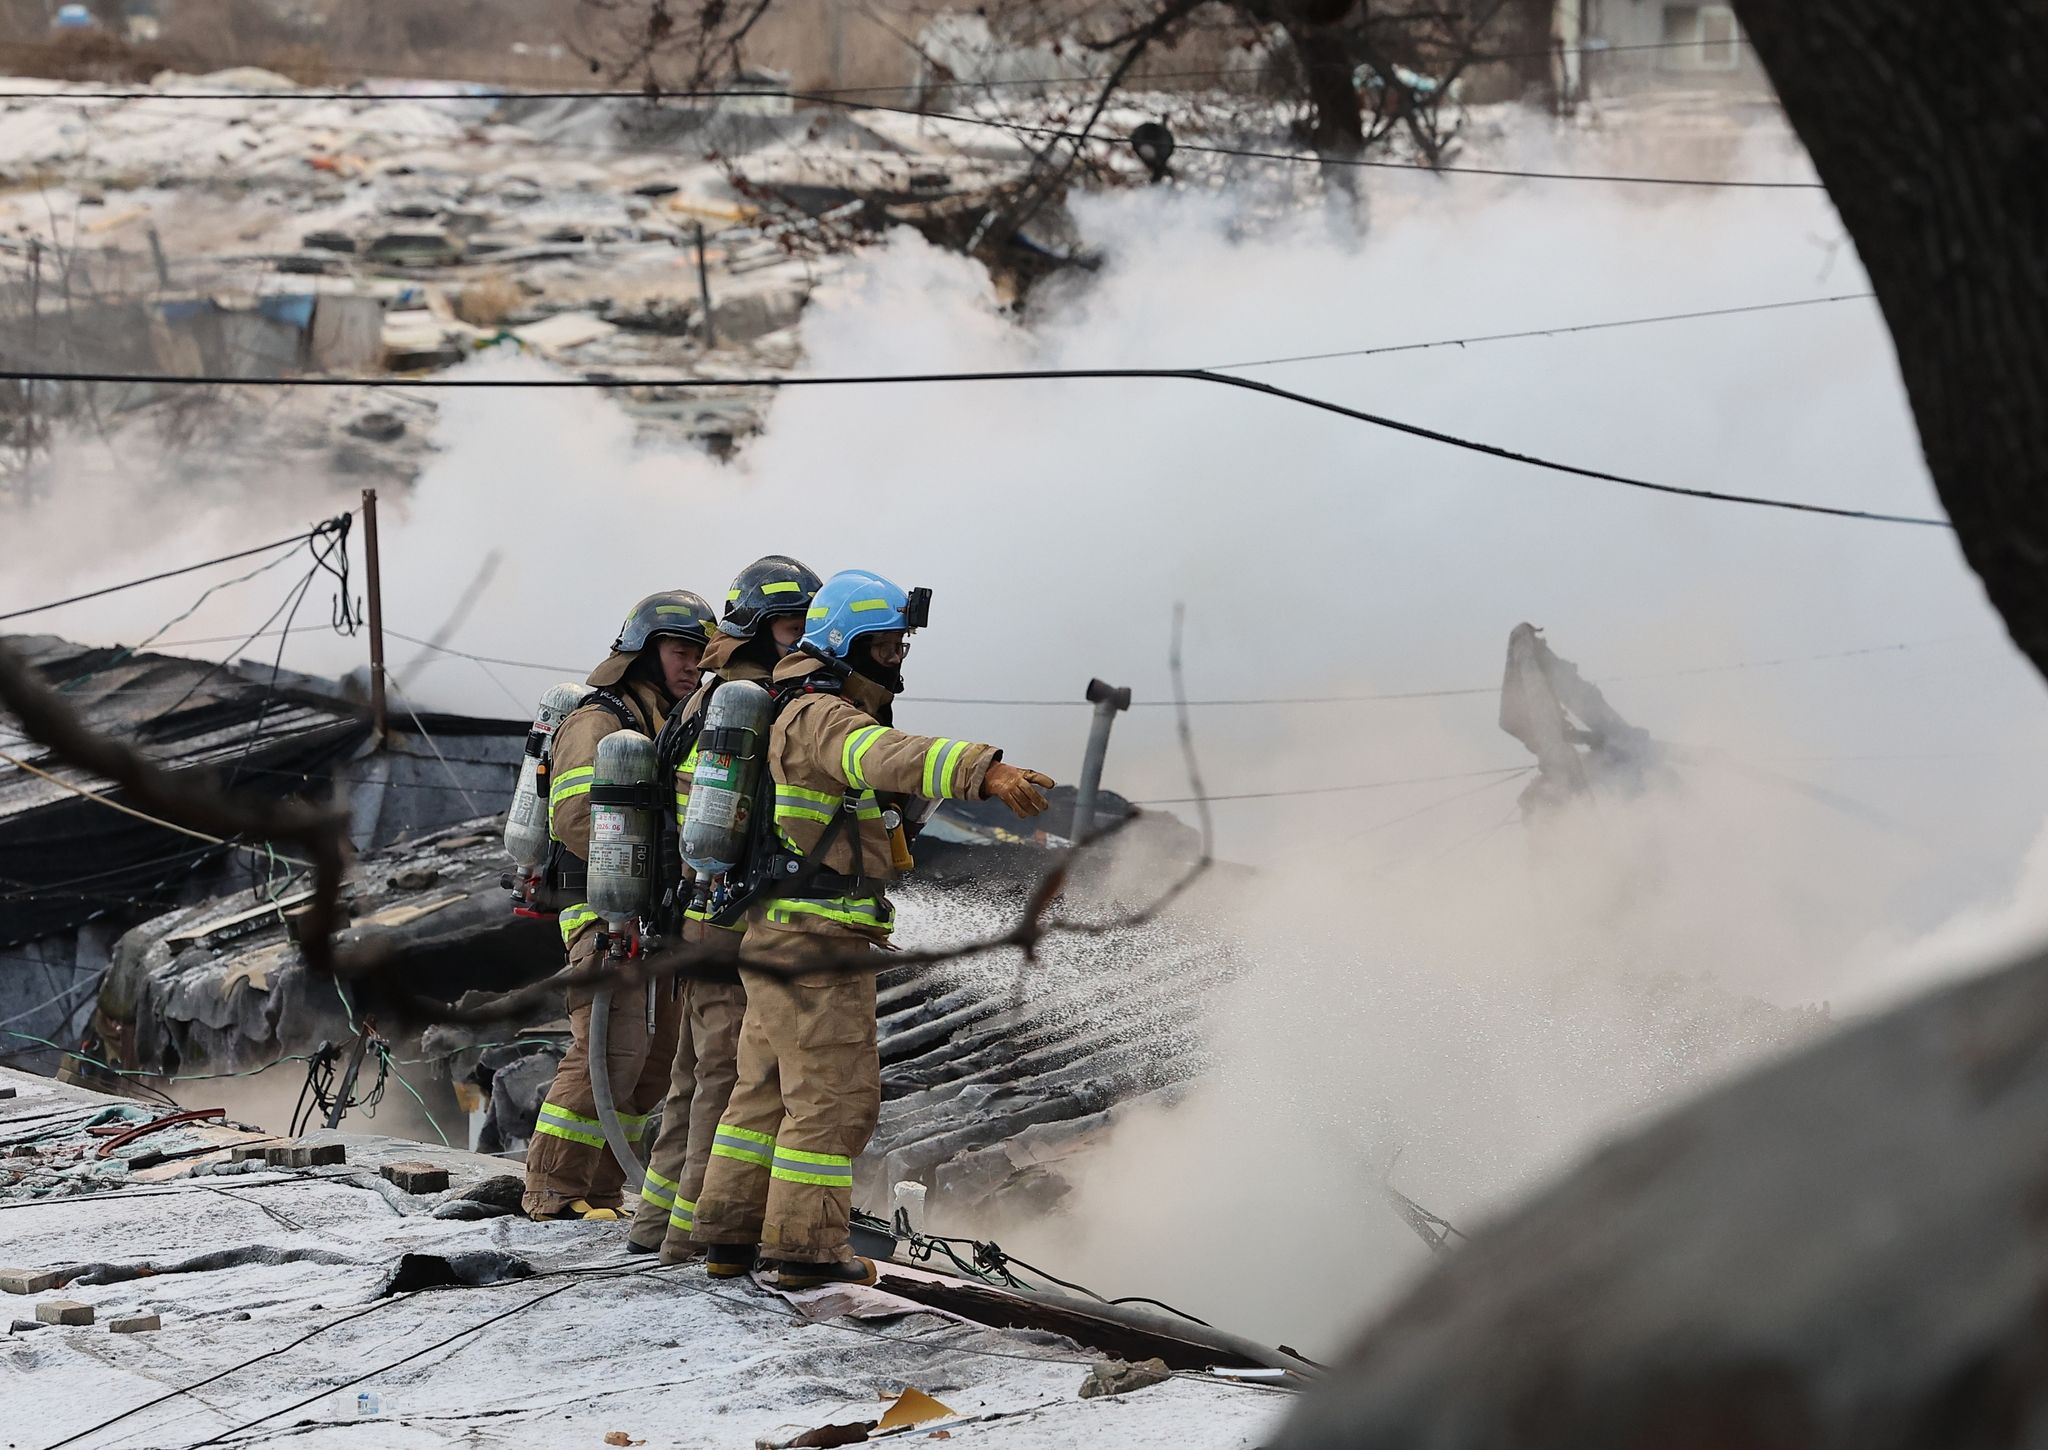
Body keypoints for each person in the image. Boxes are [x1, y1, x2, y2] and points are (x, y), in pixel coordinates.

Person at [690, 569, 1054, 1287]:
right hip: (819, 942)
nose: (898, 661)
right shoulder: (822, 713)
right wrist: (984, 770)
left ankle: (729, 1236)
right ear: (846, 643)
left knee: (760, 1095)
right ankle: (806, 1249)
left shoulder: (791, 704)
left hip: (781, 935)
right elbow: (878, 755)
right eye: (886, 647)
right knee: (832, 1097)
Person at [628, 556, 824, 1259]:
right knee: (731, 1080)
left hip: (692, 916)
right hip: (728, 920)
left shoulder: (702, 700)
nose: (804, 637)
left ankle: (656, 1224)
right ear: (755, 628)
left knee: (692, 1079)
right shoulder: (753, 703)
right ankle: (691, 1236)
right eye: (792, 625)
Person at [522, 589, 718, 1223]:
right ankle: (550, 1193)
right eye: (680, 650)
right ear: (642, 651)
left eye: (699, 653)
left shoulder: (659, 723)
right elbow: (577, 817)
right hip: (600, 910)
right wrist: (650, 865)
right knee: (610, 1050)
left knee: (653, 1066)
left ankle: (600, 1193)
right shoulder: (597, 720)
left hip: (651, 915)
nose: (693, 664)